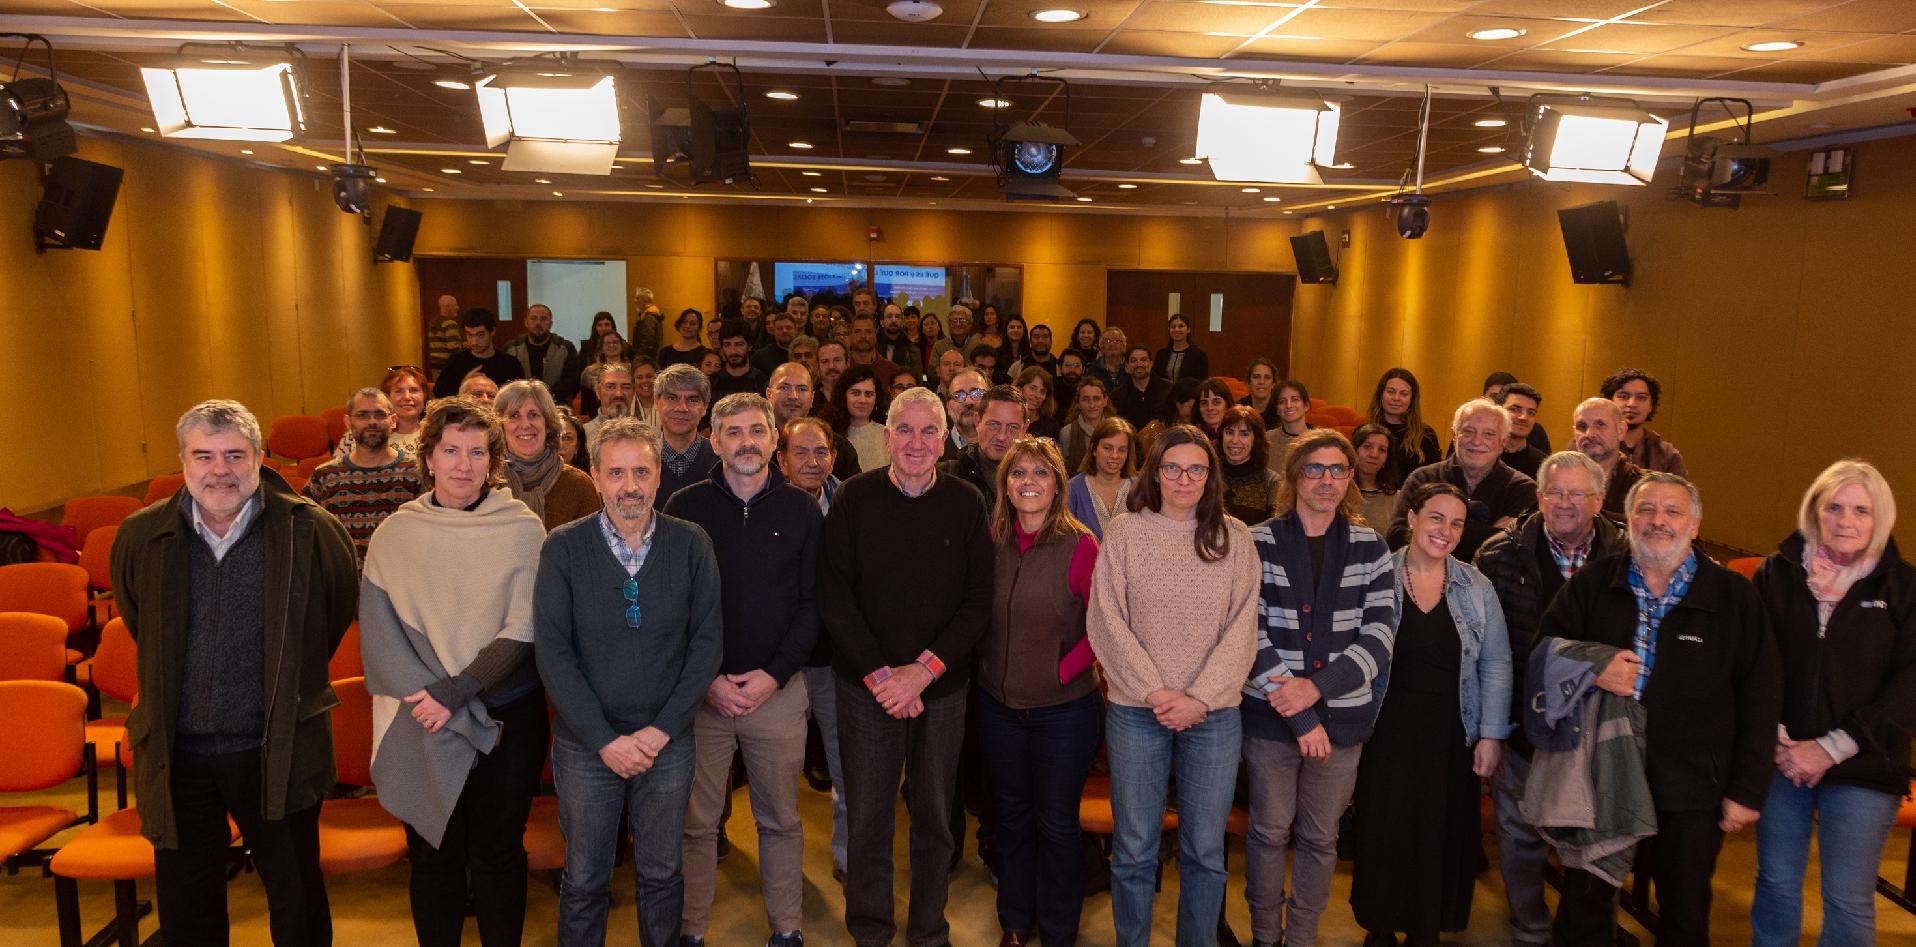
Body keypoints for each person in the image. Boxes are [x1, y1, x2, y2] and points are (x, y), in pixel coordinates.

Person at [109, 399, 356, 946]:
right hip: (179, 753)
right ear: (183, 462)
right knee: (187, 904)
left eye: (233, 455)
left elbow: (331, 616)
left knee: (296, 897)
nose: (219, 469)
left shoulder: (311, 531)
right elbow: (137, 617)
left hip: (278, 747)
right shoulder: (141, 535)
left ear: (259, 457)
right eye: (203, 456)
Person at [1540, 472, 1781, 946]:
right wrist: (1594, 668)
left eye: (1673, 511)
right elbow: (1543, 652)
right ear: (1627, 519)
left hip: (1693, 785)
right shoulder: (1592, 584)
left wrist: (1748, 790)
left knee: (1684, 909)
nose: (1658, 521)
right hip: (1602, 777)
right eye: (1646, 510)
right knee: (1585, 905)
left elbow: (1762, 695)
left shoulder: (1734, 598)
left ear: (1694, 525)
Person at [358, 396, 549, 947]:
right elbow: (379, 629)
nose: (464, 464)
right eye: (450, 450)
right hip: (422, 718)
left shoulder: (521, 528)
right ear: (428, 458)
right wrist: (431, 697)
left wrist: (456, 691)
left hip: (506, 718)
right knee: (432, 855)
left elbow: (526, 625)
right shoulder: (398, 532)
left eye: (476, 451)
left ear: (493, 460)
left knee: (497, 852)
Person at [536, 417, 723, 947]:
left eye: (642, 471)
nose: (630, 486)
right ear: (594, 476)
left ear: (659, 475)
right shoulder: (563, 548)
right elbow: (554, 654)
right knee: (586, 880)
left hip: (666, 744)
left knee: (663, 876)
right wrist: (605, 740)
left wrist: (662, 731)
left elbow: (705, 647)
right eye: (616, 473)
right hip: (586, 747)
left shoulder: (691, 545)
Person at [818, 386, 993, 947]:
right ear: (886, 436)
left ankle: (928, 929)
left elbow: (977, 603)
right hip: (866, 689)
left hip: (940, 690)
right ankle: (870, 930)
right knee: (868, 818)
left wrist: (921, 673)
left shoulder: (968, 502)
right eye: (905, 430)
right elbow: (835, 597)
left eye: (928, 431)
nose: (916, 443)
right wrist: (883, 678)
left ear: (944, 440)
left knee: (935, 819)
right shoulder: (853, 498)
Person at [1087, 424, 1259, 947]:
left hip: (1214, 716)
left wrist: (1199, 698)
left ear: (1211, 476)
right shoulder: (1125, 532)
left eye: (1196, 469)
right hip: (1138, 712)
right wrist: (1157, 693)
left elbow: (1243, 627)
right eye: (1172, 468)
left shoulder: (1235, 537)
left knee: (1205, 852)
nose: (1184, 479)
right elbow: (1106, 621)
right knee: (1135, 848)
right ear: (1154, 472)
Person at [662, 394, 820, 947]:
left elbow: (813, 606)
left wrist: (773, 676)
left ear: (775, 440)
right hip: (702, 697)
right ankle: (692, 932)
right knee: (698, 824)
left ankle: (788, 928)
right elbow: (670, 606)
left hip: (776, 694)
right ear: (715, 441)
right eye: (734, 432)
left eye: (757, 430)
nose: (746, 441)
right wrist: (705, 681)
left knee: (780, 819)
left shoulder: (802, 510)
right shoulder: (683, 507)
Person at [1750, 459, 1916, 947]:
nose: (1846, 521)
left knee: (1847, 897)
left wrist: (1831, 747)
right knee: (1776, 884)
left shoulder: (1905, 587)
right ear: (1814, 512)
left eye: (1862, 510)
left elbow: (1910, 685)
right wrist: (1779, 740)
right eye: (1835, 508)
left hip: (1865, 762)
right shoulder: (1775, 575)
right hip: (1782, 758)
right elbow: (1753, 663)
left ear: (1880, 518)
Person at [1240, 427, 1396, 947]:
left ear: (1351, 477)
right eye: (1314, 469)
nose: (1326, 480)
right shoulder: (1257, 540)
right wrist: (1300, 711)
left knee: (1319, 838)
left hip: (1343, 720)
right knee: (1267, 833)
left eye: (1337, 470)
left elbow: (1378, 637)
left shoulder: (1371, 545)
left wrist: (1317, 691)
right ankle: (1267, 937)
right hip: (1270, 716)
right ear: (1294, 475)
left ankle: (1301, 938)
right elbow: (1247, 632)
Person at [1472, 450, 1625, 946]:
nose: (1564, 503)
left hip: (1600, 727)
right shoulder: (1498, 554)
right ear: (1538, 496)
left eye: (1576, 493)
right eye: (1554, 492)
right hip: (1524, 726)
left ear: (1599, 499)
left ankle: (1587, 931)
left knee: (1600, 839)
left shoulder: (1629, 557)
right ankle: (1531, 928)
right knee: (1519, 838)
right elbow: (1479, 650)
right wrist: (1491, 728)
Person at [1351, 482, 1511, 946]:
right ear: (1414, 518)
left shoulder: (1475, 585)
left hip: (1451, 731)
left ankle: (1425, 930)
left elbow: (1497, 663)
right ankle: (1379, 926)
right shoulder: (1377, 576)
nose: (1445, 530)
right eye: (1436, 518)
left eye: (1457, 523)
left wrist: (1491, 735)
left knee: (1438, 834)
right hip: (1387, 728)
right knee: (1385, 830)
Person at [976, 436, 1103, 947]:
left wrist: (1062, 671)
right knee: (1011, 818)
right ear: (1005, 484)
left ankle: (1057, 930)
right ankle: (1014, 921)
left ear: (1057, 484)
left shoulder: (1081, 545)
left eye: (1040, 473)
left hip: (1063, 712)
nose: (1028, 482)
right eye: (1018, 473)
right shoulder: (992, 541)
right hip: (997, 708)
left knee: (1055, 824)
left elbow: (1104, 627)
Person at [1389, 398, 1538, 561]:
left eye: (1488, 434)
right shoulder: (1422, 479)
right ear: (1454, 435)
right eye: (1468, 431)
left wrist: (1432, 532)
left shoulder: (1523, 489)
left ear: (1503, 442)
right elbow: (1397, 539)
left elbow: (1520, 554)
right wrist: (1494, 534)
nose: (1476, 441)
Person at [303, 387, 422, 564]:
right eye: (362, 415)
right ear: (348, 422)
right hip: (345, 583)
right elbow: (305, 532)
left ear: (393, 420)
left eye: (380, 415)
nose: (371, 422)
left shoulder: (416, 472)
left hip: (401, 581)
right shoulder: (325, 476)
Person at [495, 380, 601, 531]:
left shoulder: (579, 486)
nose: (525, 425)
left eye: (534, 414)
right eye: (514, 415)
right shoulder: (486, 483)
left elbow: (593, 549)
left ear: (549, 425)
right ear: (501, 426)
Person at [767, 361, 862, 483]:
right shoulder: (756, 447)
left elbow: (856, 498)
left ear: (812, 398)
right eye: (784, 387)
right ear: (768, 394)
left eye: (802, 389)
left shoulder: (838, 446)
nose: (793, 396)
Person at [938, 385, 1026, 504]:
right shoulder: (947, 476)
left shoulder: (1038, 480)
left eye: (1012, 427)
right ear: (977, 421)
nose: (1002, 436)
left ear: (1024, 428)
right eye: (994, 425)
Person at [1602, 368, 1687, 477]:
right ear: (1609, 402)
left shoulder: (1667, 454)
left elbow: (1680, 493)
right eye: (1623, 397)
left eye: (1641, 397)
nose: (1632, 404)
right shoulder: (1588, 444)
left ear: (1651, 406)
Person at [652, 363, 717, 507]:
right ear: (656, 402)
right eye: (672, 398)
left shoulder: (722, 460)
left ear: (705, 407)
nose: (682, 408)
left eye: (692, 400)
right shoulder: (639, 459)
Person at [336, 365, 430, 458]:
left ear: (424, 396)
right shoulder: (357, 433)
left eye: (414, 390)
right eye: (398, 391)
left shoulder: (436, 435)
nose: (407, 397)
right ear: (386, 398)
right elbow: (335, 469)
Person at [1572, 397, 1642, 519]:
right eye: (1582, 426)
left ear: (1620, 431)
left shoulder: (1642, 486)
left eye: (1600, 425)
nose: (1589, 434)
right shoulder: (1559, 482)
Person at [1368, 367, 1439, 487]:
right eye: (1391, 391)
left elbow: (1434, 480)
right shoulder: (1365, 432)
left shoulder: (1426, 435)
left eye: (1404, 394)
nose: (1396, 398)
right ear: (1381, 394)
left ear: (1412, 399)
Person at [1067, 416, 1136, 541]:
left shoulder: (1140, 489)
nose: (1115, 455)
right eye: (1107, 448)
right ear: (1093, 449)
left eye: (1122, 450)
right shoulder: (1072, 490)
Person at [434, 308, 526, 399]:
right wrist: (463, 385)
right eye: (469, 335)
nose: (474, 342)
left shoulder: (510, 363)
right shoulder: (456, 361)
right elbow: (439, 394)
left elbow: (520, 398)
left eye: (480, 334)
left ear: (492, 331)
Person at [504, 303, 582, 407]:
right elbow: (506, 382)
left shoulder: (565, 348)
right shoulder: (512, 349)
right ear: (526, 322)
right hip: (519, 406)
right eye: (533, 318)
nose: (538, 323)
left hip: (557, 407)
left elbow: (572, 382)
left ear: (551, 323)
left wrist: (544, 398)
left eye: (543, 319)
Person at [1215, 405, 1278, 525]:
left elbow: (1275, 531)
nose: (1234, 440)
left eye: (1244, 434)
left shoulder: (1271, 481)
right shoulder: (1208, 476)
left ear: (1256, 440)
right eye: (1229, 432)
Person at [827, 363, 890, 473]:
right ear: (843, 396)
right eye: (855, 393)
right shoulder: (828, 434)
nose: (862, 400)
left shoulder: (888, 434)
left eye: (868, 394)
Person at [709, 317, 769, 404]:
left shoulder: (763, 383)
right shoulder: (712, 383)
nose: (733, 351)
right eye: (727, 345)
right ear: (722, 347)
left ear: (750, 346)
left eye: (739, 344)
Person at [1350, 422, 1398, 530]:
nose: (1374, 454)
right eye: (1367, 447)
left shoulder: (1396, 499)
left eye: (1382, 450)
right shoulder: (1339, 492)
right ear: (1354, 451)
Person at [1112, 345, 1171, 430]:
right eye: (1134, 361)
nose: (1139, 364)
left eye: (1143, 360)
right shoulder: (1117, 396)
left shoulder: (1168, 389)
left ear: (1151, 364)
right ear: (1127, 366)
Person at [1496, 382, 1548, 479]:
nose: (1524, 417)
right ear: (1498, 411)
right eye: (1515, 409)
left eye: (1531, 413)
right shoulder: (1482, 453)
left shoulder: (1543, 465)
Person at [581, 362, 639, 447]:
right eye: (610, 387)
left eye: (626, 387)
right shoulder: (582, 435)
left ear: (633, 392)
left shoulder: (650, 435)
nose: (618, 394)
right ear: (598, 391)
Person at [1265, 379, 1314, 470]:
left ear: (1306, 405)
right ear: (1277, 410)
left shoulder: (1319, 440)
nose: (1288, 405)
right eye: (1282, 401)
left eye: (1295, 399)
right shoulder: (1267, 439)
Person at [941, 368, 989, 462]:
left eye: (977, 393)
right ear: (948, 408)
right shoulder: (935, 450)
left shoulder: (1005, 450)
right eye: (958, 396)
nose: (968, 402)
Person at [579, 332, 630, 418]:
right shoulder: (590, 372)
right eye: (607, 343)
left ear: (622, 347)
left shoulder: (632, 370)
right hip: (597, 418)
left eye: (615, 342)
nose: (612, 345)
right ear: (601, 348)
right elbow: (586, 401)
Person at [1153, 313, 1209, 384]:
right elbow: (1156, 378)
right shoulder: (1161, 354)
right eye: (1173, 327)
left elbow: (1202, 383)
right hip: (1164, 394)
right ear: (1169, 329)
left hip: (1189, 394)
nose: (1176, 329)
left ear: (1188, 329)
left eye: (1181, 326)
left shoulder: (1199, 355)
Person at [1014, 366, 1061, 440]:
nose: (1037, 395)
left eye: (1042, 392)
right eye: (1032, 388)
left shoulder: (1051, 426)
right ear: (1020, 388)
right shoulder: (1007, 419)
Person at [876, 303, 923, 378]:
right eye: (889, 316)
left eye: (897, 317)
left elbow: (918, 380)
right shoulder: (874, 347)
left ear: (902, 322)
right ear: (882, 322)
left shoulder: (912, 350)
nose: (894, 320)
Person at [751, 310, 801, 377]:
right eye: (780, 328)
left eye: (788, 328)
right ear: (774, 331)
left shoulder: (805, 355)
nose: (784, 331)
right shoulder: (760, 357)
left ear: (796, 330)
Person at [1238, 358, 1281, 430]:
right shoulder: (1239, 408)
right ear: (1249, 382)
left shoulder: (1281, 409)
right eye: (1256, 377)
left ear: (1273, 383)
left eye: (1267, 377)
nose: (1261, 382)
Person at [1194, 377, 1233, 442]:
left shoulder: (1238, 434)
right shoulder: (1192, 437)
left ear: (1227, 405)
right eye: (1204, 403)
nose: (1210, 408)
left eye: (1216, 402)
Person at [629, 287, 664, 359]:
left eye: (637, 298)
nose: (635, 301)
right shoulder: (652, 315)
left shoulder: (648, 318)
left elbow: (647, 343)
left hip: (646, 361)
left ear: (645, 300)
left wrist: (637, 358)